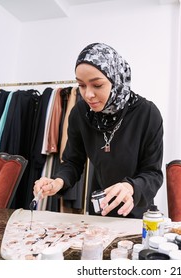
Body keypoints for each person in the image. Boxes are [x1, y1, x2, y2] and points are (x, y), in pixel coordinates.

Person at [33, 43, 164, 218]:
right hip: (99, 209)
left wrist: (130, 187)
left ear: (116, 80)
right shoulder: (80, 113)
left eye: (97, 85)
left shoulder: (147, 113)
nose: (88, 94)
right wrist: (58, 181)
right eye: (81, 85)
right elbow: (73, 161)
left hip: (136, 210)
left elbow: (153, 173)